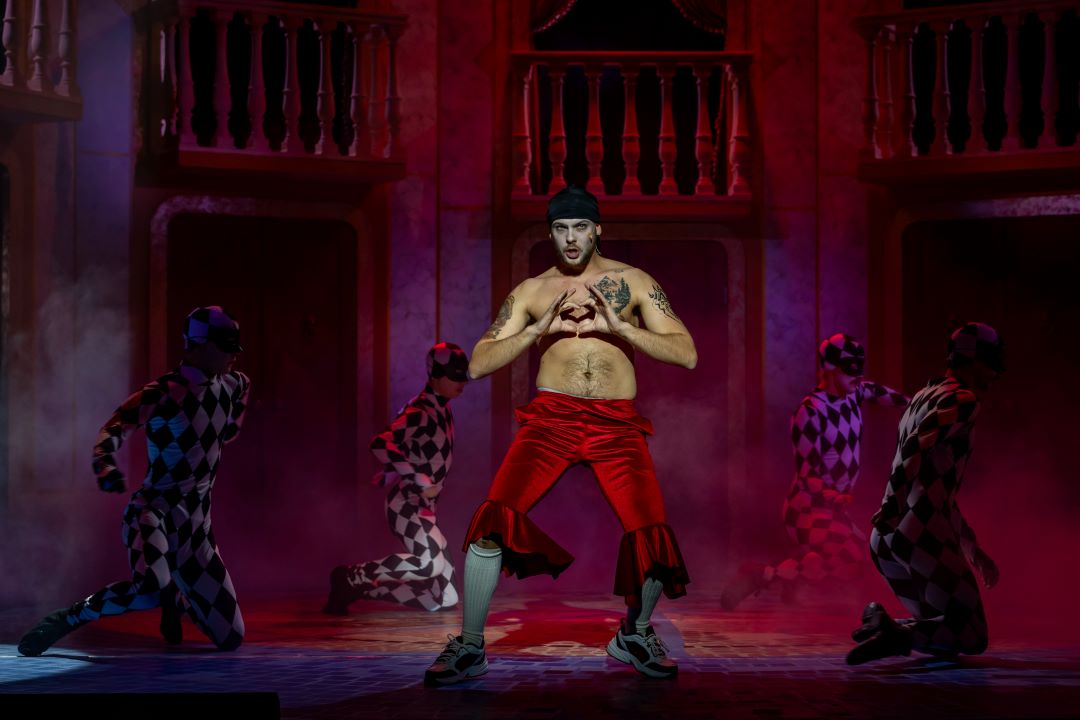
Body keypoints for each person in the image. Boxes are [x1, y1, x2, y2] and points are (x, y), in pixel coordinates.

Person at [424, 185, 697, 686]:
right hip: (551, 419)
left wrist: (622, 328)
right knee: (493, 519)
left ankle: (635, 634)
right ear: (550, 233)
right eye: (560, 228)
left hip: (616, 423)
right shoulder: (532, 290)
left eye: (580, 227)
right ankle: (470, 645)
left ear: (597, 230)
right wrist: (535, 331)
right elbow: (479, 363)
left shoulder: (634, 282)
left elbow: (687, 353)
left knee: (652, 534)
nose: (571, 238)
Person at [17, 306, 251, 656]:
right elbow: (113, 428)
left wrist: (230, 426)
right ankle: (72, 616)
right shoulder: (165, 392)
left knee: (231, 636)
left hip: (196, 531)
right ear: (200, 344)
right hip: (153, 515)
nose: (233, 355)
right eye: (226, 346)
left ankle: (176, 599)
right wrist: (105, 466)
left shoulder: (232, 385)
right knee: (150, 589)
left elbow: (240, 395)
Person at [846, 322, 1004, 665]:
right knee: (972, 635)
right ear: (974, 360)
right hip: (918, 531)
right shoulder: (963, 399)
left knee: (944, 628)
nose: (995, 373)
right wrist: (893, 505)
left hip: (887, 539)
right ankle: (893, 633)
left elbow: (935, 483)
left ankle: (886, 627)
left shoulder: (922, 396)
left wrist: (971, 547)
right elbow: (916, 447)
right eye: (991, 362)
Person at [720, 334, 909, 609]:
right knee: (853, 560)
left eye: (860, 366)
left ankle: (791, 573)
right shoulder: (810, 411)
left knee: (866, 561)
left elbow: (879, 393)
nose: (857, 374)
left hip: (832, 509)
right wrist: (832, 495)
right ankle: (763, 574)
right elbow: (807, 473)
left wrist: (915, 404)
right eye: (850, 367)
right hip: (807, 508)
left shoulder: (855, 393)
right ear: (829, 367)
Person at [322, 343, 468, 613]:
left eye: (463, 376)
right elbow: (380, 443)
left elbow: (416, 447)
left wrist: (393, 471)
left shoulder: (441, 408)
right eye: (454, 376)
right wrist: (415, 477)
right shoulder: (421, 410)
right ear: (435, 374)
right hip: (406, 504)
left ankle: (362, 588)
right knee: (429, 564)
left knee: (446, 598)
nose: (461, 382)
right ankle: (351, 576)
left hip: (425, 508)